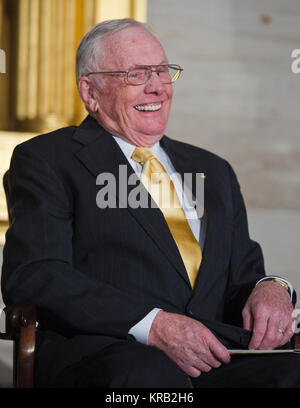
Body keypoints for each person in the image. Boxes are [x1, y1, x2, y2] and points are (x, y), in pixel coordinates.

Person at [1, 18, 299, 388]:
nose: (157, 87)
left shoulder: (213, 170)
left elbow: (243, 277)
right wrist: (154, 325)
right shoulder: (47, 159)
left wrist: (272, 288)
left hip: (220, 356)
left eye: (161, 71)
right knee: (150, 379)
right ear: (90, 91)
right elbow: (35, 274)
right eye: (136, 75)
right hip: (112, 353)